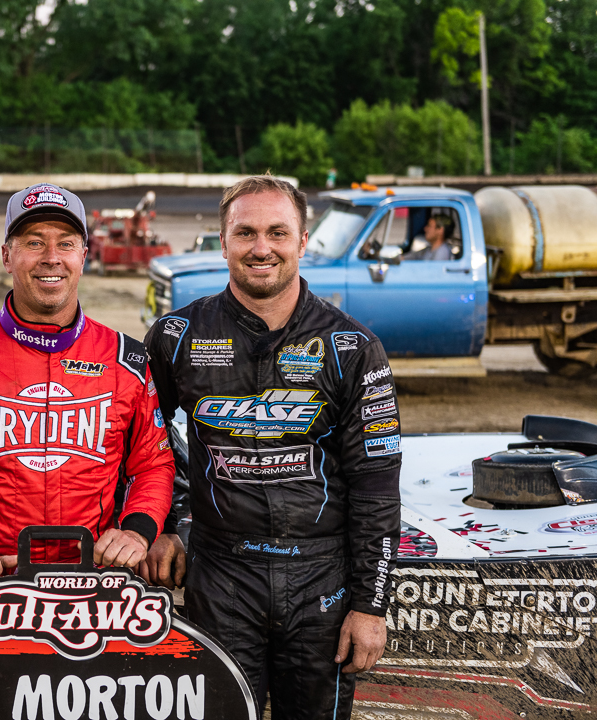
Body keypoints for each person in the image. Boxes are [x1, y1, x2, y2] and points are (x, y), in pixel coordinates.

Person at [143, 175, 401, 720]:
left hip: (321, 582)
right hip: (220, 576)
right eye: (246, 233)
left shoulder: (352, 347)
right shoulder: (176, 336)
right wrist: (168, 524)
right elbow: (145, 444)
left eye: (278, 233)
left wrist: (370, 605)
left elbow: (376, 484)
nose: (262, 248)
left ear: (303, 241)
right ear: (223, 241)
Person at [0, 183, 174, 587]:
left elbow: (153, 464)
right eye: (34, 242)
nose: (51, 258)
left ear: (83, 257)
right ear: (7, 256)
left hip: (97, 584)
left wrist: (137, 531)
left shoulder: (126, 360)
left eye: (65, 244)